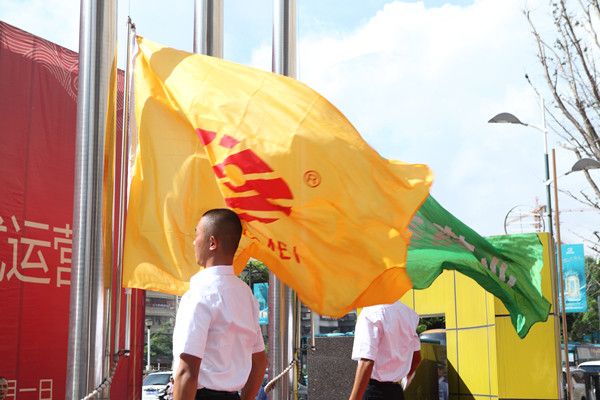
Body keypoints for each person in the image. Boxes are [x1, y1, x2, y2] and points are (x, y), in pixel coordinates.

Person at [173, 209, 267, 400]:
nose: (194, 242)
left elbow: (187, 370)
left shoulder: (199, 293)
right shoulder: (246, 294)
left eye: (197, 234)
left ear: (212, 242)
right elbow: (260, 362)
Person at [348, 301, 421, 400]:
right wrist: (405, 379)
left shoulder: (370, 312)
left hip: (374, 391)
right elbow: (416, 357)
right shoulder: (408, 313)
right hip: (396, 392)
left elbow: (367, 361)